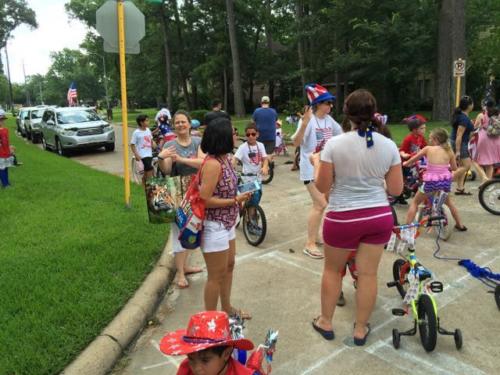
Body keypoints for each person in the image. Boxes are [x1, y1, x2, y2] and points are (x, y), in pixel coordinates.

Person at [311, 89, 403, 345]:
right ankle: (360, 328)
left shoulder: (334, 144)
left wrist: (317, 163)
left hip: (342, 217)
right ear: (374, 113)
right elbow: (396, 190)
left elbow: (322, 186)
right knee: (368, 274)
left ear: (347, 113)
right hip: (378, 216)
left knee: (332, 270)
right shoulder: (388, 145)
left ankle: (326, 322)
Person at [199, 118, 252, 319]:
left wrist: (238, 197)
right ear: (222, 137)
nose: (235, 134)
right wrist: (233, 200)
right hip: (215, 226)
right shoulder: (213, 164)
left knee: (229, 266)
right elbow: (205, 200)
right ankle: (210, 321)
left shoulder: (225, 159)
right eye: (232, 132)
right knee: (215, 276)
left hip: (227, 223)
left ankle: (227, 309)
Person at [292, 84, 342, 259]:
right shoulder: (308, 120)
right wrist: (304, 124)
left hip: (326, 168)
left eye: (331, 103)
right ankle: (309, 244)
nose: (330, 106)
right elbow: (296, 143)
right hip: (309, 169)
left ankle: (319, 236)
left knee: (324, 203)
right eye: (327, 102)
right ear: (318, 103)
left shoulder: (329, 120)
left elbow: (341, 135)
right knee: (320, 204)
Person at [158, 110, 205, 289]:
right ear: (173, 125)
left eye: (183, 122)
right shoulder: (170, 144)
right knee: (178, 234)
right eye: (177, 122)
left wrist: (182, 159)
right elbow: (167, 169)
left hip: (197, 193)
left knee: (194, 230)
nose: (180, 125)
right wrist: (162, 158)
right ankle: (180, 273)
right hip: (177, 193)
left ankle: (185, 266)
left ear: (189, 123)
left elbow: (203, 162)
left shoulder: (198, 142)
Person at [404, 128, 467, 231]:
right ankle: (460, 224)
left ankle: (407, 227)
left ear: (436, 139)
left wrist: (406, 163)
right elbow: (455, 168)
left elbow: (413, 159)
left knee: (415, 202)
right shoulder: (449, 150)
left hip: (431, 183)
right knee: (449, 203)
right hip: (444, 183)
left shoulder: (428, 149)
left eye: (431, 139)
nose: (429, 141)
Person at [160, 311, 255, 375]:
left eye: (205, 360)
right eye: (191, 359)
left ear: (226, 354)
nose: (196, 369)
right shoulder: (186, 368)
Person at [234, 123, 269, 225]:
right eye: (248, 134)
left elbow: (265, 159)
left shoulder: (260, 145)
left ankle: (248, 213)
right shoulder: (243, 147)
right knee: (254, 197)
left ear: (257, 134)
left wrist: (265, 166)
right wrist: (230, 167)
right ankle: (251, 220)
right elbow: (234, 159)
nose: (250, 136)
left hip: (258, 178)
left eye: (253, 134)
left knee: (256, 198)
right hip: (247, 178)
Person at [450, 96, 475, 195]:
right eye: (472, 103)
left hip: (460, 142)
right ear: (469, 106)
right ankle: (445, 180)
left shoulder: (462, 115)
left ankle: (460, 188)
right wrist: (458, 151)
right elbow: (459, 135)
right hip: (460, 143)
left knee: (461, 165)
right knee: (466, 165)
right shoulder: (463, 118)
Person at [474, 99, 500, 180]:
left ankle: (484, 177)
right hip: (496, 139)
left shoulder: (481, 115)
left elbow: (475, 127)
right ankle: (487, 183)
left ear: (486, 106)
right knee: (490, 163)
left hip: (484, 139)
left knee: (475, 161)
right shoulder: (498, 114)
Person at [130, 114, 154, 187]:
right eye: (146, 120)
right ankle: (151, 186)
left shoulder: (148, 130)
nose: (148, 122)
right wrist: (136, 154)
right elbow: (132, 144)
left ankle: (144, 183)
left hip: (149, 153)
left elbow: (151, 140)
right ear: (141, 122)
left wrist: (155, 146)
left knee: (147, 171)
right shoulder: (136, 133)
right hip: (142, 155)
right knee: (150, 169)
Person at [0, 109, 13, 188]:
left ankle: (6, 182)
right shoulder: (3, 131)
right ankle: (5, 184)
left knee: (5, 167)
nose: (3, 122)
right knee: (2, 168)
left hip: (5, 152)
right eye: (2, 120)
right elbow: (4, 142)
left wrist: (10, 148)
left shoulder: (5, 130)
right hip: (2, 153)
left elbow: (6, 142)